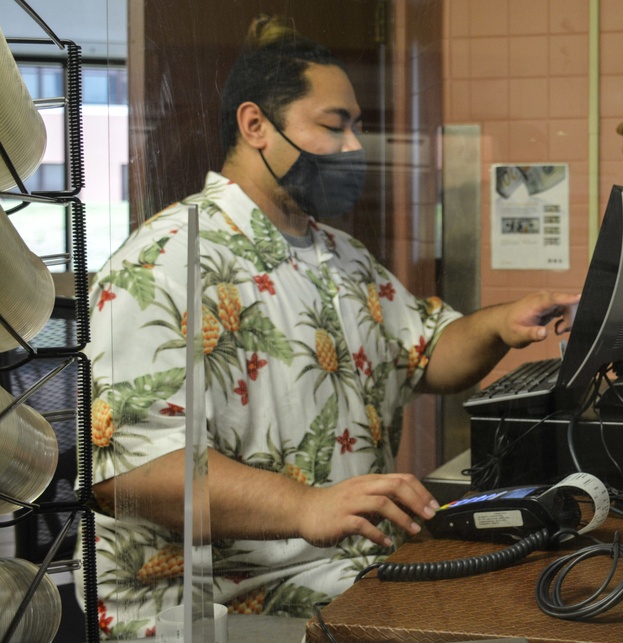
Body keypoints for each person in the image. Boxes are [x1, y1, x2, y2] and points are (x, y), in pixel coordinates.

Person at [77, 15, 578, 639]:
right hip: (213, 605)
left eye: (356, 129)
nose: (351, 148)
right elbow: (131, 472)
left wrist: (502, 324)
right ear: (256, 125)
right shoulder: (163, 263)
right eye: (333, 126)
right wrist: (305, 505)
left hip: (347, 570)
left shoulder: (338, 254)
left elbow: (425, 354)